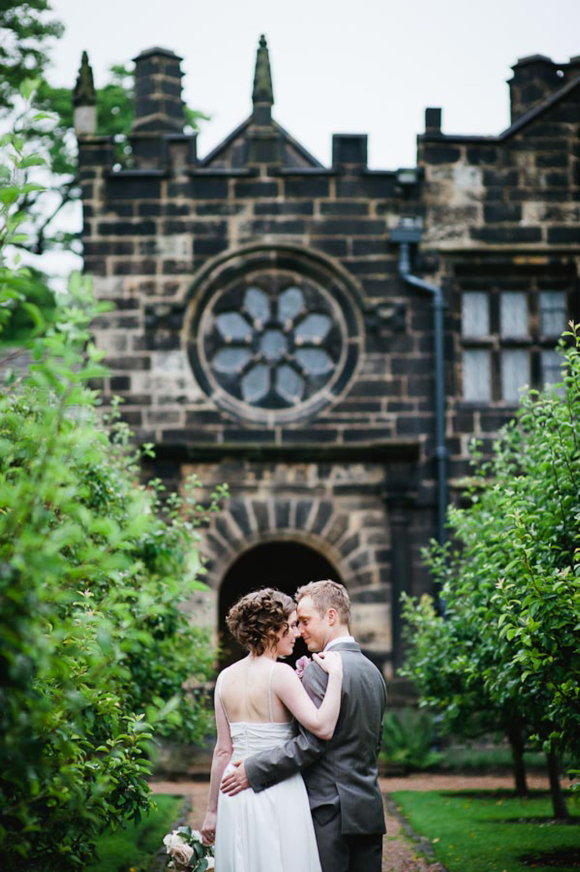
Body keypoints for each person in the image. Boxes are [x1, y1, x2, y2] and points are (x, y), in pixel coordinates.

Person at [220, 579, 387, 872]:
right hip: (367, 809)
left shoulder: (320, 670)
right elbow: (375, 740)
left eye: (306, 621)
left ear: (331, 617)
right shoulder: (374, 673)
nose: (301, 630)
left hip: (327, 812)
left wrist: (254, 768)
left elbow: (312, 743)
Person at [201, 587, 343, 872]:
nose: (296, 633)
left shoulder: (224, 678)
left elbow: (223, 751)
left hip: (232, 791)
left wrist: (211, 811)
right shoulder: (280, 674)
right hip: (277, 786)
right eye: (290, 626)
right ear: (271, 630)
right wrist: (337, 676)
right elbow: (323, 728)